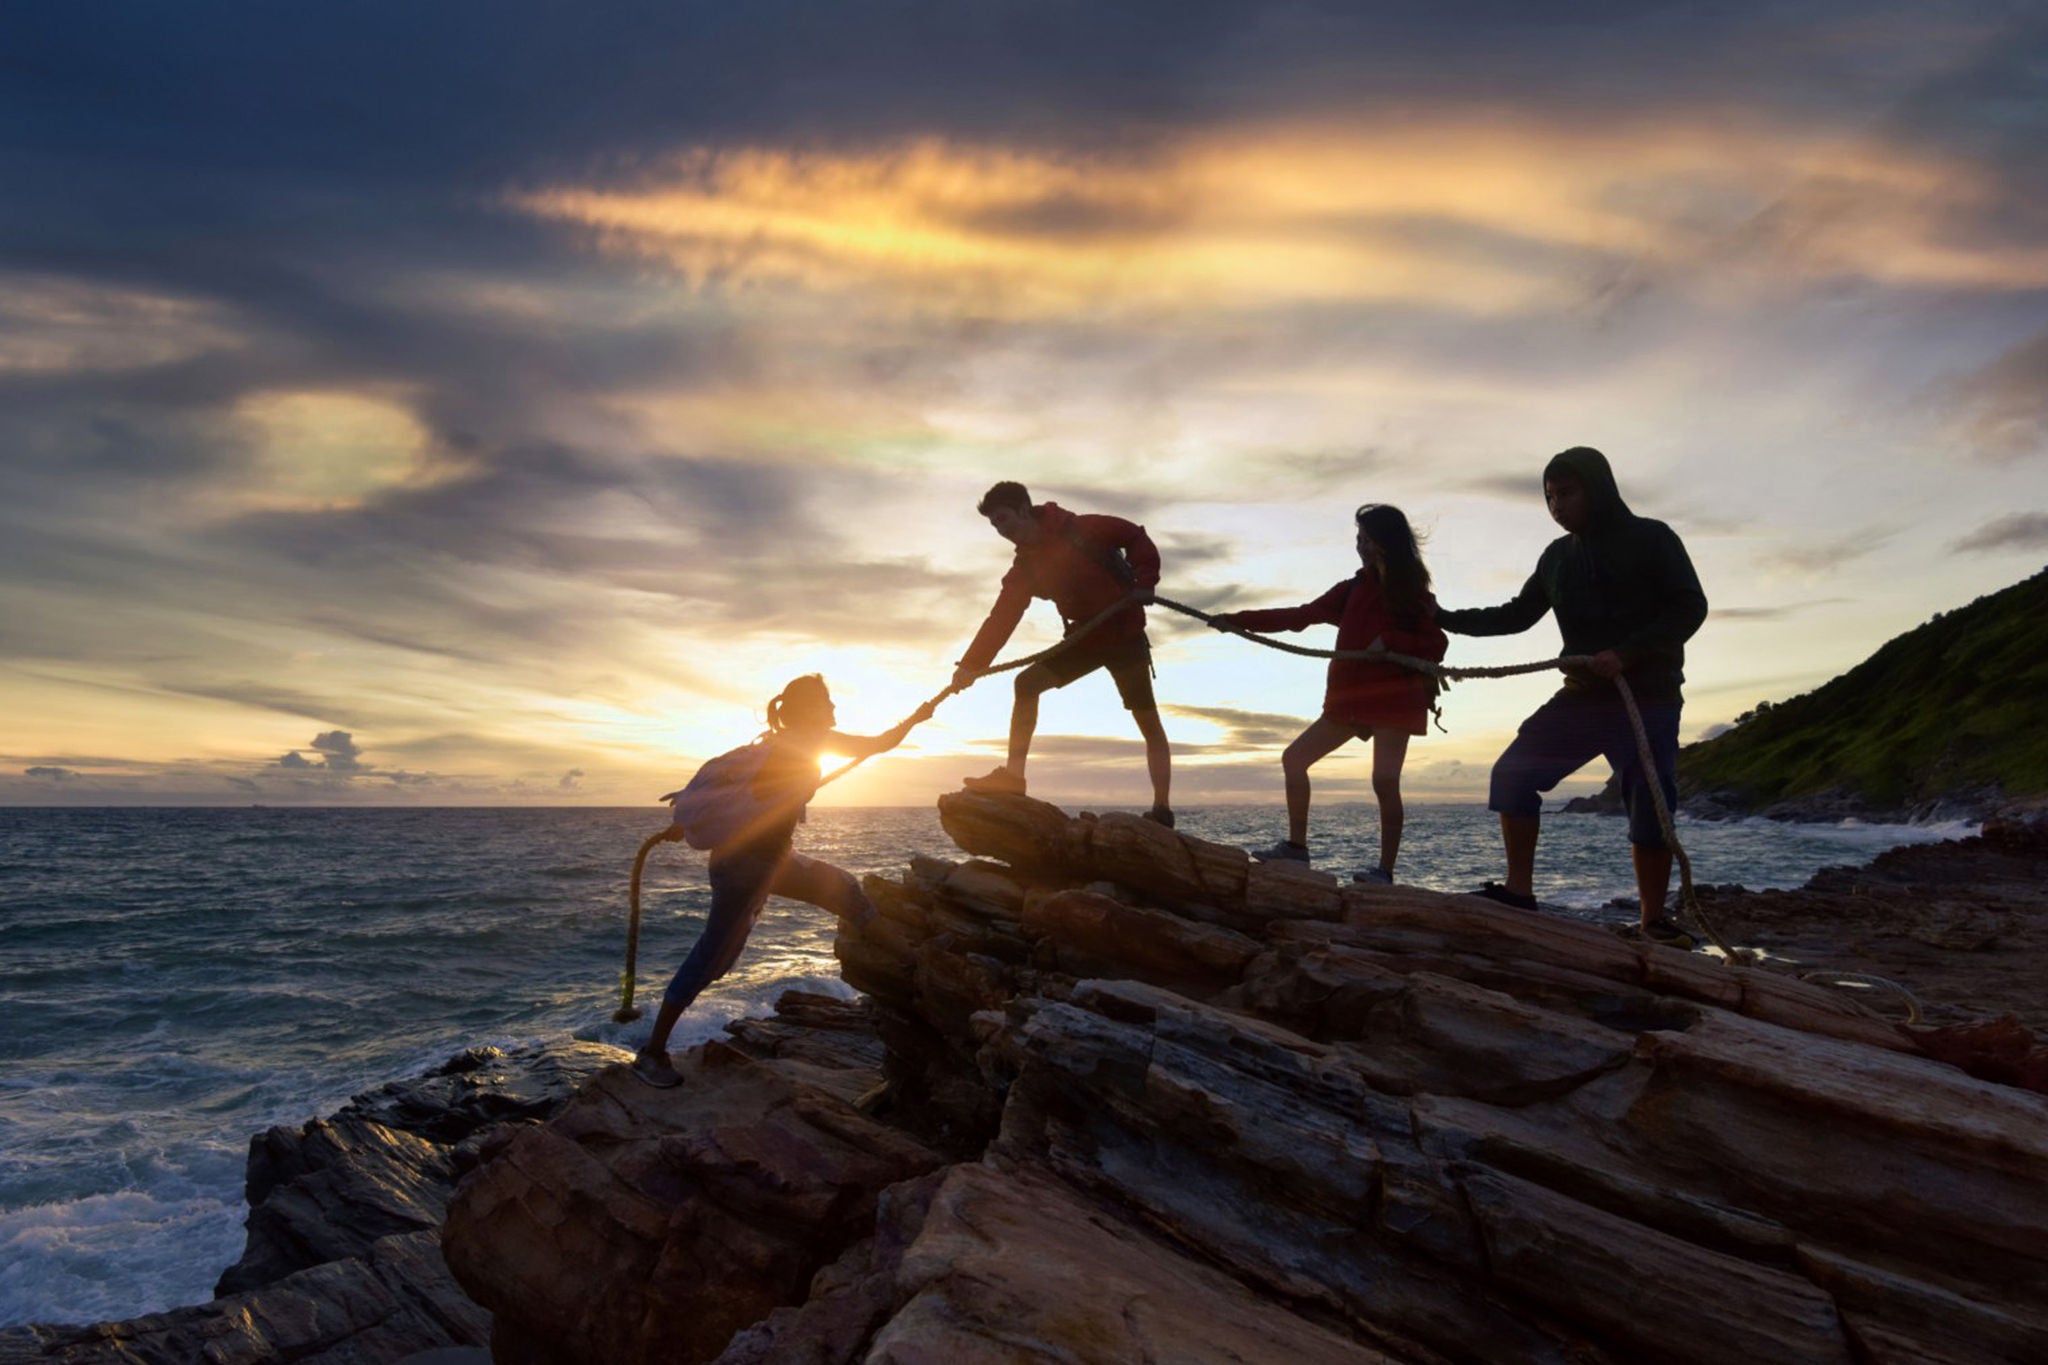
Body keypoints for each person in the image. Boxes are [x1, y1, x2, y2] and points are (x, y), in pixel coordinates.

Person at [1437, 446, 1707, 941]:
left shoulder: (1653, 539)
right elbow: (1515, 616)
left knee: (1651, 804)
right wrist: (1442, 617)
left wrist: (1627, 653)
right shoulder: (1556, 558)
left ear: (1597, 488)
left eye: (1566, 493)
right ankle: (1519, 893)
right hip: (1581, 696)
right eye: (1549, 496)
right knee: (1512, 775)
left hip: (1647, 697)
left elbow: (1690, 607)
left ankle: (1653, 921)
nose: (1556, 505)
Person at [632, 675, 931, 1087]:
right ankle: (651, 1053)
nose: (833, 711)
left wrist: (915, 719)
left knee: (844, 889)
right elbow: (874, 745)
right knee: (713, 959)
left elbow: (746, 800)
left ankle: (913, 959)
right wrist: (916, 719)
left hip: (772, 861)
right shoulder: (796, 748)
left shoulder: (793, 743)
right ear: (810, 710)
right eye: (827, 704)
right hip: (744, 867)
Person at [1209, 504, 1447, 881]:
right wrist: (1238, 622)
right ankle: (1297, 849)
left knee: (1384, 781)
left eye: (1367, 539)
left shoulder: (1413, 592)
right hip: (1348, 701)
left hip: (1393, 700)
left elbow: (1436, 644)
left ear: (1387, 542)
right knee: (1294, 759)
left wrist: (1390, 641)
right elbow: (1299, 616)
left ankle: (1384, 872)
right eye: (1358, 539)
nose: (1360, 547)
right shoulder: (1352, 588)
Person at [952, 481, 1174, 825]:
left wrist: (1146, 581)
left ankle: (1162, 811)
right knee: (1026, 685)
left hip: (1124, 636)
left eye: (1005, 520)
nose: (1002, 530)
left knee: (1148, 722)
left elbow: (1135, 536)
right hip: (1083, 640)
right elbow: (1002, 618)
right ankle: (1014, 779)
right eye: (995, 525)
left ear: (1025, 510)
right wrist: (970, 666)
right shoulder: (1025, 568)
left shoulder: (1083, 529)